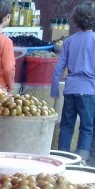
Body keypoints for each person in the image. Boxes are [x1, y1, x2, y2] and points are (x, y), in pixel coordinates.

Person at [53, 2, 95, 163]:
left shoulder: (70, 41)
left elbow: (59, 67)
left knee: (66, 126)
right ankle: (82, 160)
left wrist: (54, 90)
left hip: (70, 90)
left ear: (75, 20)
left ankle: (62, 157)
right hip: (89, 91)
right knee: (86, 127)